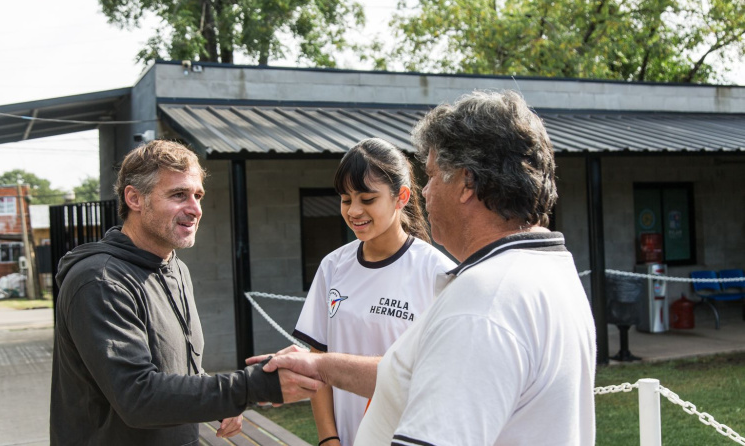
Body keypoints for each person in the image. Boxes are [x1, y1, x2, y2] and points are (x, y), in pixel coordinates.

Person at [252, 90, 597, 445]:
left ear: (466, 182)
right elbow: (408, 374)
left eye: (431, 175)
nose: (425, 191)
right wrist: (320, 367)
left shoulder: (483, 303)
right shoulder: (549, 273)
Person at [50, 140, 323, 445]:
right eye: (179, 195)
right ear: (134, 198)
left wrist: (223, 400)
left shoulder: (176, 269)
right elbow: (137, 397)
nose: (195, 209)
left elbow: (178, 369)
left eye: (198, 195)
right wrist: (252, 386)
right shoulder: (99, 281)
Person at [293, 138, 455, 446]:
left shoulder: (437, 273)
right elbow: (319, 361)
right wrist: (329, 439)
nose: (354, 211)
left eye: (367, 199)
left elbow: (444, 378)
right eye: (345, 199)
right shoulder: (333, 267)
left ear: (401, 197)